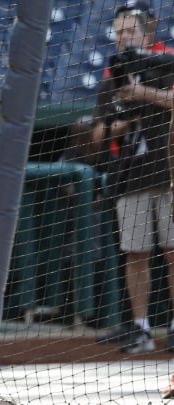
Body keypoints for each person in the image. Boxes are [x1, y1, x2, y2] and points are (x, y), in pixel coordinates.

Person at [91, 1, 174, 354]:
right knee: (134, 253)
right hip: (129, 173)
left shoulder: (166, 60)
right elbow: (97, 134)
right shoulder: (112, 74)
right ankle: (140, 327)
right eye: (119, 32)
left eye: (130, 31)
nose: (124, 37)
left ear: (147, 32)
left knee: (172, 250)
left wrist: (143, 96)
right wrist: (129, 119)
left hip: (168, 168)